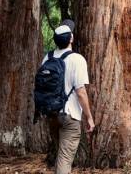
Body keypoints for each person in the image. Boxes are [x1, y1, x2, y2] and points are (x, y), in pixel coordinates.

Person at [42, 19, 95, 174]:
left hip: (51, 114)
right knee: (65, 159)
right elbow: (81, 92)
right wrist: (89, 117)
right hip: (69, 116)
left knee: (61, 155)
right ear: (71, 38)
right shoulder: (77, 59)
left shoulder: (47, 58)